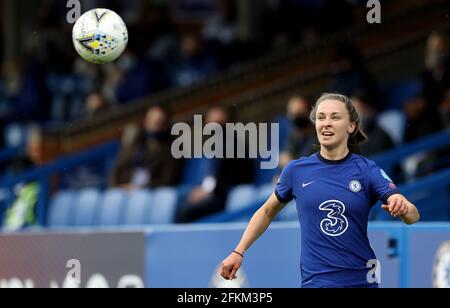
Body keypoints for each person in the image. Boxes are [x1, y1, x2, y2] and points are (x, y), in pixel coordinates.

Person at [220, 93, 420, 288]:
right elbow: (266, 211)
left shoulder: (367, 169)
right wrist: (239, 251)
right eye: (321, 117)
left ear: (351, 126)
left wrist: (403, 207)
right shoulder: (295, 171)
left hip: (361, 281)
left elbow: (412, 215)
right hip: (317, 283)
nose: (326, 123)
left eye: (335, 117)